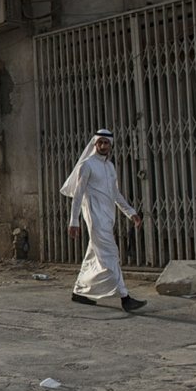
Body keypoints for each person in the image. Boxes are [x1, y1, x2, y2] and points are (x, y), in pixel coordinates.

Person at [60, 129, 147, 312]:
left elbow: (115, 194)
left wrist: (130, 212)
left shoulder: (110, 167)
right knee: (111, 255)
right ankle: (125, 298)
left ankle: (80, 292)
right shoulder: (88, 165)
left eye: (106, 143)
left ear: (110, 145)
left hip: (108, 218)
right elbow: (78, 195)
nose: (103, 146)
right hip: (95, 218)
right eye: (100, 143)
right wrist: (73, 221)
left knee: (93, 255)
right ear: (95, 144)